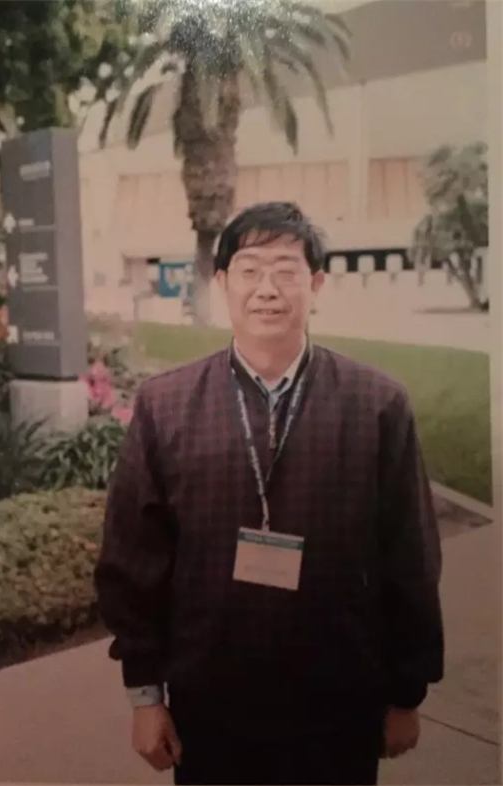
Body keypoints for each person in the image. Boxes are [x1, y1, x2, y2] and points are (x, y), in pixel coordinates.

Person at [94, 201, 444, 786]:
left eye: (286, 271)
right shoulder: (166, 405)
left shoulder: (377, 405)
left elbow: (411, 557)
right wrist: (145, 696)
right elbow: (133, 559)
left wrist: (406, 693)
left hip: (338, 700)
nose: (267, 290)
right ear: (222, 284)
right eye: (250, 271)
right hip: (210, 701)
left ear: (316, 285)